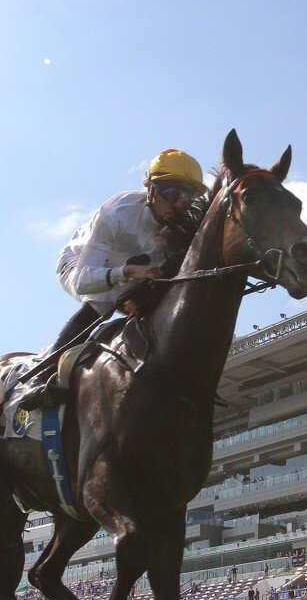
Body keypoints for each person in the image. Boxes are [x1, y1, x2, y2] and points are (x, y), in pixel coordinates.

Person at [15, 148, 208, 410]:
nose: (177, 204)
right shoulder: (117, 213)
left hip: (132, 273)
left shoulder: (182, 223)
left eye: (187, 195)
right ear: (150, 190)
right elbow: (83, 280)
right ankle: (41, 377)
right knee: (103, 300)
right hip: (78, 263)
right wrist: (125, 273)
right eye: (170, 193)